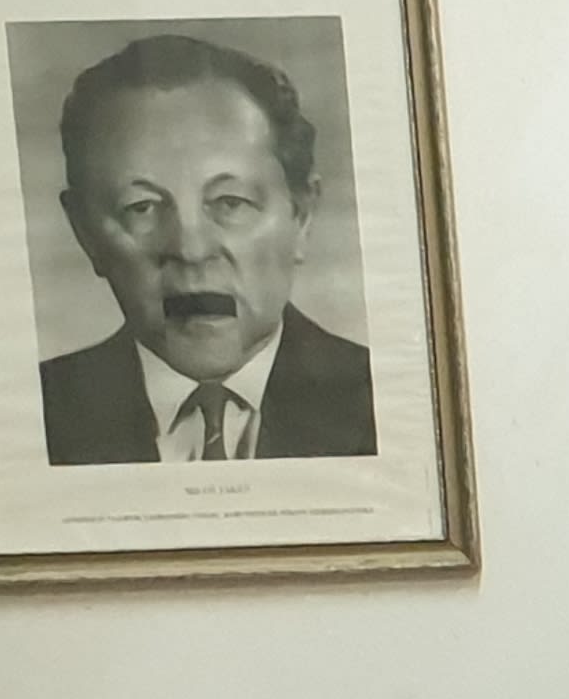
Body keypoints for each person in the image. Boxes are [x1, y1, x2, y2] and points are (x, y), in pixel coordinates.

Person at [40, 34, 375, 466]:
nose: (191, 249)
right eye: (141, 207)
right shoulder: (34, 419)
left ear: (302, 214)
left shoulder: (391, 400)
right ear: (85, 233)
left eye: (230, 203)